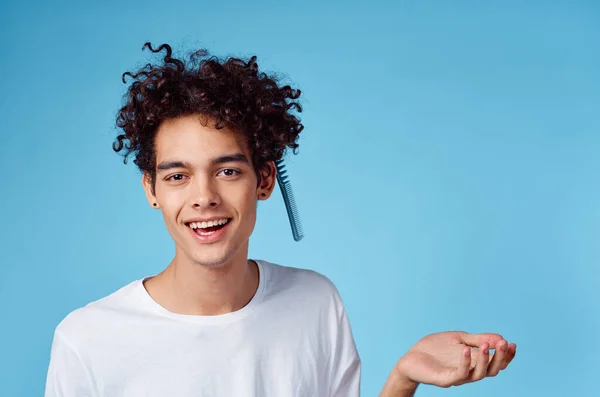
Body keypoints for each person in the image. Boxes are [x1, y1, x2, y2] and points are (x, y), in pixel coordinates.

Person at [44, 43, 516, 397]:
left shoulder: (316, 302)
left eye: (227, 171)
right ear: (151, 190)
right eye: (177, 176)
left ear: (264, 180)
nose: (204, 197)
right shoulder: (87, 340)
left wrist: (402, 378)